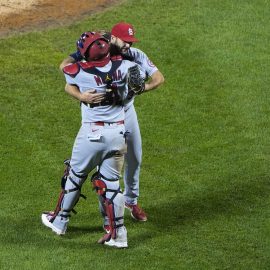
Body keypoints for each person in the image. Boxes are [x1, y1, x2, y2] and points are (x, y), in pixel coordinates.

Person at [41, 32, 142, 248]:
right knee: (112, 185)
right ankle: (118, 235)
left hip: (92, 135)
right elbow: (139, 85)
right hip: (118, 134)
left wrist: (82, 95)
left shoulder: (78, 70)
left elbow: (65, 67)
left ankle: (59, 220)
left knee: (75, 174)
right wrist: (119, 91)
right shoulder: (126, 66)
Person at [60, 22, 164, 224]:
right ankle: (68, 211)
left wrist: (141, 89)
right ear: (113, 38)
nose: (128, 46)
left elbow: (159, 78)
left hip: (126, 112)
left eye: (131, 42)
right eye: (125, 41)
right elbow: (65, 71)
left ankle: (131, 201)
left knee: (135, 155)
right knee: (89, 163)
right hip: (97, 115)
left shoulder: (135, 55)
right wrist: (82, 96)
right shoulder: (96, 50)